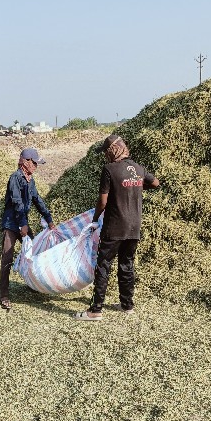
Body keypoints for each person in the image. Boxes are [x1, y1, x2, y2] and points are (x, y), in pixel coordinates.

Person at [74, 133, 159, 321]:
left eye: (106, 152)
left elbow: (103, 201)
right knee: (126, 265)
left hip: (114, 226)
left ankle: (95, 310)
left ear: (113, 150)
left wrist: (94, 220)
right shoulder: (138, 168)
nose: (105, 156)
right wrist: (135, 187)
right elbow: (155, 182)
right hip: (134, 227)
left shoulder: (109, 170)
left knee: (104, 265)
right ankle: (127, 305)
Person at [0, 147, 55, 310]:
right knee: (7, 258)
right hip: (11, 224)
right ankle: (4, 294)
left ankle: (33, 284)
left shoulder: (31, 180)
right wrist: (22, 223)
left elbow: (37, 200)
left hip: (22, 223)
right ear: (26, 162)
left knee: (34, 252)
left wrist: (49, 219)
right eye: (35, 163)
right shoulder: (15, 178)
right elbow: (17, 202)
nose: (36, 166)